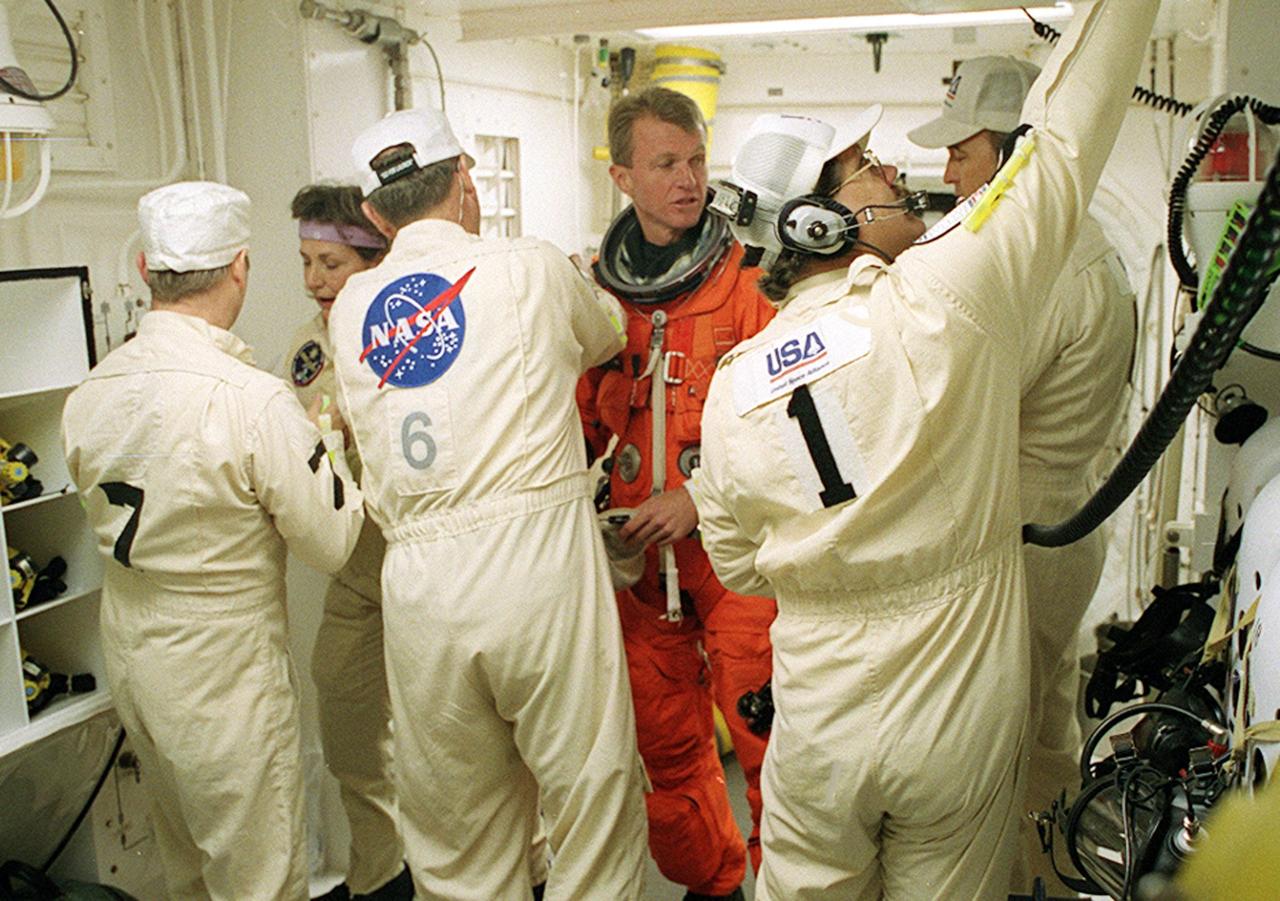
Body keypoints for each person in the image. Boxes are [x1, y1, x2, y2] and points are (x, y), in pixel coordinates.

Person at [688, 1, 1159, 897]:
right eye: (867, 166)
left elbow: (740, 564)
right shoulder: (944, 302)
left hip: (818, 725)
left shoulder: (733, 388)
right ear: (817, 222)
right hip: (954, 711)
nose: (895, 172)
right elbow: (1064, 141)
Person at [328, 108, 648, 900]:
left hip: (419, 590)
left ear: (373, 215)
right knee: (590, 804)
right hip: (535, 564)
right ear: (465, 177)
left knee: (457, 838)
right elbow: (609, 331)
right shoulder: (531, 266)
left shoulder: (351, 306)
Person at [62, 181, 364, 901]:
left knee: (188, 868)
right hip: (222, 672)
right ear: (239, 266)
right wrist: (329, 447)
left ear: (145, 270)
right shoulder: (250, 400)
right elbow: (331, 542)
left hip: (135, 656)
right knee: (258, 877)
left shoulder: (89, 392)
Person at [908, 55, 1137, 896]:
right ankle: (1052, 879)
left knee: (996, 761)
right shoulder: (1078, 240)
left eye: (961, 152)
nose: (948, 174)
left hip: (1025, 532)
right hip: (1057, 522)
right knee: (1042, 740)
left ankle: (1019, 883)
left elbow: (954, 407)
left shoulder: (1045, 267)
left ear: (1013, 152)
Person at [579, 85, 777, 899]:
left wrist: (700, 497)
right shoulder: (597, 294)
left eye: (696, 160)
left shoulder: (751, 283)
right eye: (666, 164)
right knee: (665, 747)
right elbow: (578, 417)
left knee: (770, 741)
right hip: (639, 562)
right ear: (622, 177)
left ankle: (789, 887)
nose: (689, 180)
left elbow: (784, 427)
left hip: (735, 556)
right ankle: (714, 884)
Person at [285, 184, 413, 901]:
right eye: (306, 262)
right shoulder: (308, 351)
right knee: (346, 718)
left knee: (468, 738)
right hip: (359, 573)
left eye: (330, 263)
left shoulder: (417, 336)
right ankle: (381, 874)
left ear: (375, 259)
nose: (315, 280)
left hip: (430, 569)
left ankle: (529, 867)